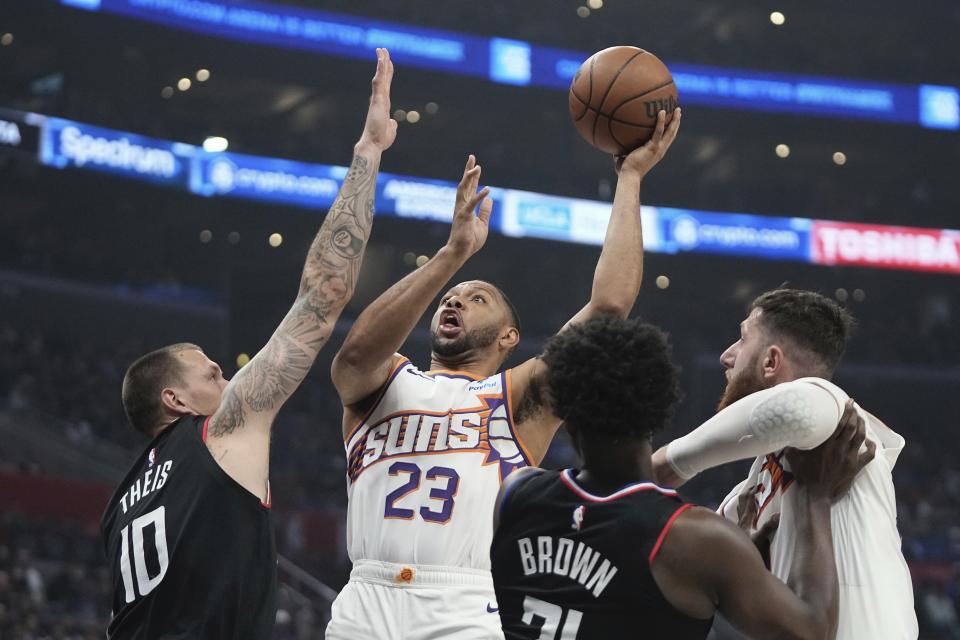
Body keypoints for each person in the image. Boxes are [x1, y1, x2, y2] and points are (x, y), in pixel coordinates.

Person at [325, 110, 681, 638]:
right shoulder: (384, 380)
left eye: (477, 297)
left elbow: (609, 307)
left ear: (509, 337)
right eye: (451, 297)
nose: (457, 299)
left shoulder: (519, 394)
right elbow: (353, 355)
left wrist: (629, 179)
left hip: (465, 599)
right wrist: (453, 255)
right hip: (366, 596)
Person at [99, 48, 398, 638]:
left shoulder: (120, 504)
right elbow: (325, 292)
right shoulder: (222, 430)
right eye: (211, 374)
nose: (227, 378)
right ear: (175, 402)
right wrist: (369, 151)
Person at [491, 316, 869, 639]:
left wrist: (729, 562)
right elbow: (813, 630)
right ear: (660, 406)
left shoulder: (516, 492)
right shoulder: (693, 540)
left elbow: (593, 592)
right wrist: (814, 495)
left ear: (564, 415)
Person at [651, 288, 918, 639]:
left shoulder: (836, 417)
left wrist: (667, 467)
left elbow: (795, 410)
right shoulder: (750, 491)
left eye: (743, 338)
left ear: (771, 362)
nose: (726, 355)